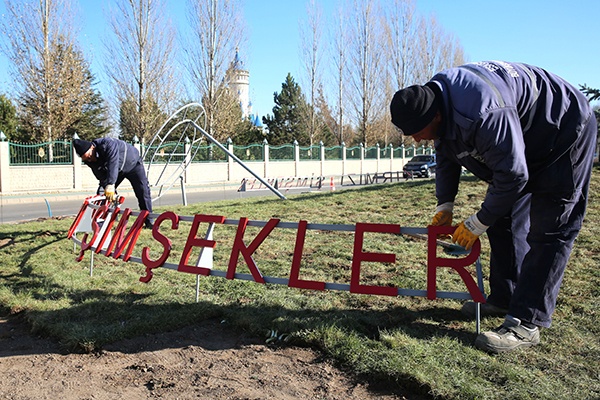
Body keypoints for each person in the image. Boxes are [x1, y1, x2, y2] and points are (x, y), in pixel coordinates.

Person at [389, 61, 597, 353]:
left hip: (563, 129)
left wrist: (477, 222)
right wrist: (444, 204)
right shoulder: (435, 101)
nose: (416, 139)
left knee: (552, 229)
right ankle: (505, 296)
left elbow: (513, 174)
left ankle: (526, 322)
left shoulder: (482, 111)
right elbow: (446, 150)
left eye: (419, 131)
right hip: (523, 137)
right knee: (503, 217)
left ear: (436, 114)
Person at [73, 137, 154, 228]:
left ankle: (149, 221)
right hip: (116, 171)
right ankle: (104, 222)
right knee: (102, 193)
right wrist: (108, 189)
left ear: (92, 147)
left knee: (143, 191)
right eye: (86, 159)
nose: (89, 160)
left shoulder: (107, 144)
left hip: (132, 164)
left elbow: (113, 163)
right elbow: (100, 175)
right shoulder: (89, 160)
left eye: (89, 156)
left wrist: (111, 184)